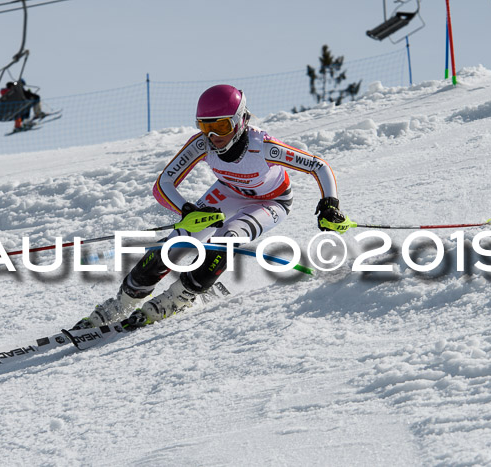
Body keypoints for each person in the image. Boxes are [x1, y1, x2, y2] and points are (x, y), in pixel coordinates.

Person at [72, 84, 349, 330]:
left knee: (225, 240)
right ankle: (123, 301)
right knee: (176, 242)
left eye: (222, 127)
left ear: (241, 120)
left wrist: (329, 204)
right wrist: (187, 211)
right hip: (229, 191)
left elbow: (318, 165)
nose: (214, 135)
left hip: (270, 201)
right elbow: (163, 185)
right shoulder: (201, 145)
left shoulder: (263, 146)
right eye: (205, 126)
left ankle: (181, 294)